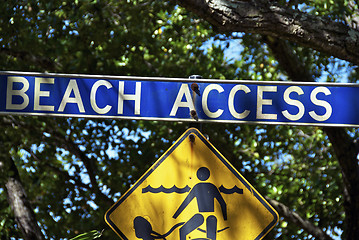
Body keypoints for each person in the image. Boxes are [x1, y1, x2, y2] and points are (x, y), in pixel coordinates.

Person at [172, 167, 227, 240]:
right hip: (212, 217)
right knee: (212, 238)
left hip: (200, 216)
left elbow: (186, 202)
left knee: (182, 231)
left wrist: (175, 216)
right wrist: (225, 218)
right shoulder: (212, 187)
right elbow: (223, 203)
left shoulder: (197, 187)